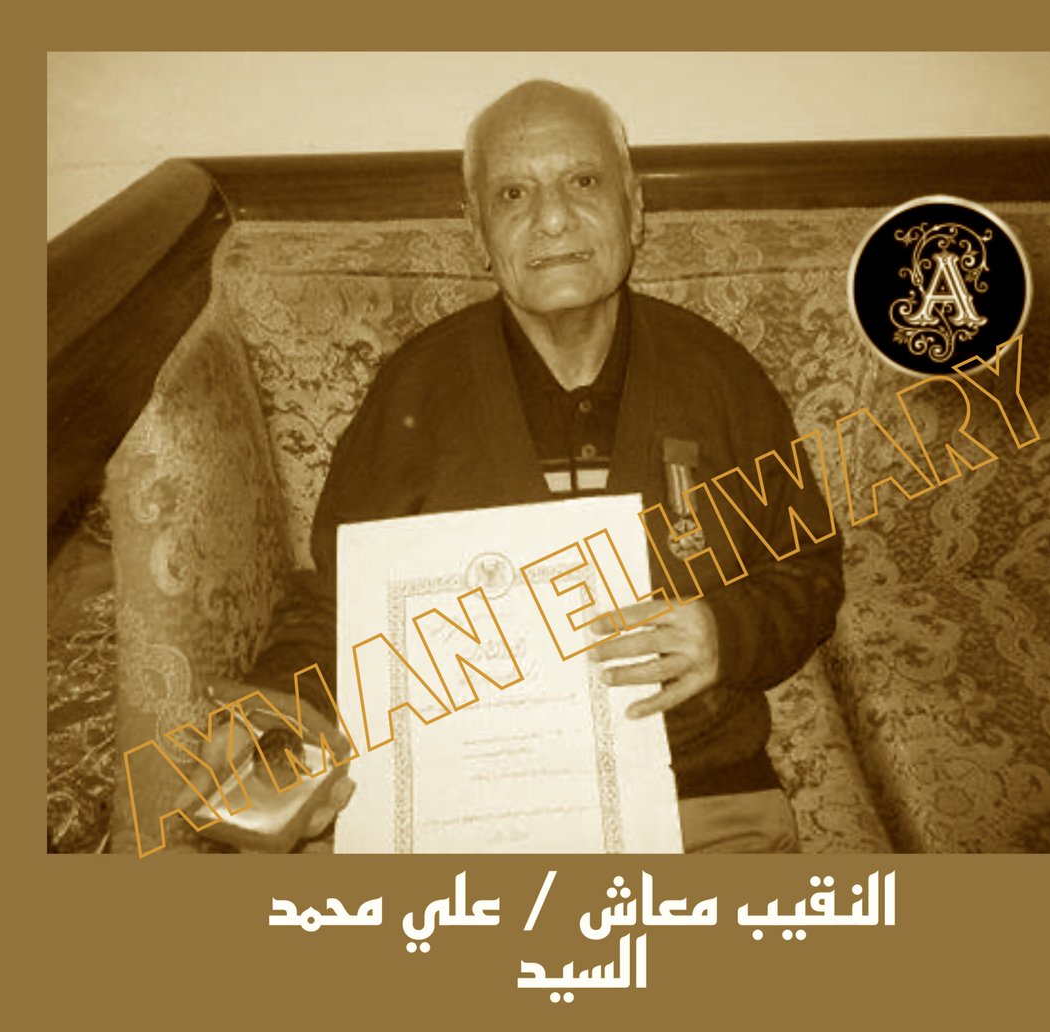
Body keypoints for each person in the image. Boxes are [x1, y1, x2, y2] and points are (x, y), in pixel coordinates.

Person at [246, 80, 844, 853]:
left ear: (634, 206)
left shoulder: (719, 376)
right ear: (477, 229)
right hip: (460, 812)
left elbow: (809, 569)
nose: (552, 218)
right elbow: (337, 602)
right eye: (513, 193)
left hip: (693, 795)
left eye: (583, 181)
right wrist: (283, 727)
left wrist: (724, 632)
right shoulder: (416, 387)